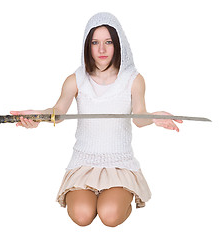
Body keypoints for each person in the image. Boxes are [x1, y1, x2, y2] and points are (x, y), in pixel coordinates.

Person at [11, 12, 183, 227]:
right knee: (82, 216)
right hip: (84, 162)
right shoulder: (75, 79)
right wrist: (37, 117)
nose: (102, 49)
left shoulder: (133, 79)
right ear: (88, 45)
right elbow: (58, 111)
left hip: (119, 163)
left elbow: (139, 118)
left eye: (108, 42)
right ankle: (94, 199)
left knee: (109, 216)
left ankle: (121, 199)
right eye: (95, 42)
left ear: (118, 44)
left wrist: (154, 118)